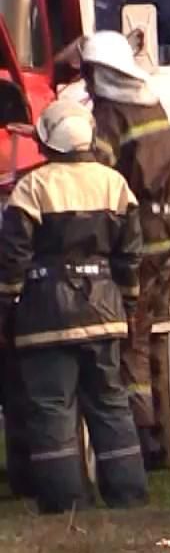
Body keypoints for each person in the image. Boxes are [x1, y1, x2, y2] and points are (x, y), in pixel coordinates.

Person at [0, 99, 148, 513]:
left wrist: (7, 305)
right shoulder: (115, 185)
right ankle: (128, 495)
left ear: (47, 141)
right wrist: (129, 304)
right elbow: (130, 256)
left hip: (45, 318)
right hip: (104, 313)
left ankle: (64, 502)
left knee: (51, 409)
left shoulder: (33, 188)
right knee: (110, 403)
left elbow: (13, 257)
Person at [81, 31, 170, 464]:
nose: (87, 81)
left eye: (89, 73)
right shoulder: (148, 100)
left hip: (147, 234)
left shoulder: (111, 117)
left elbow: (93, 177)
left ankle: (142, 433)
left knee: (130, 329)